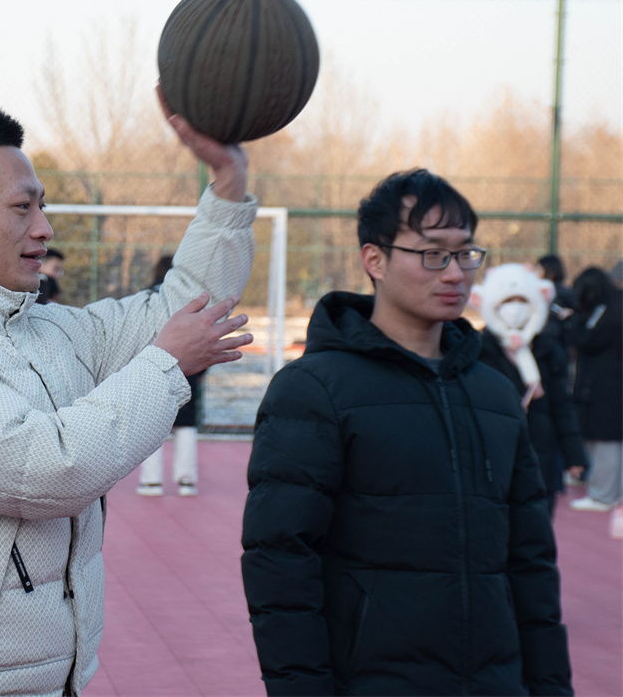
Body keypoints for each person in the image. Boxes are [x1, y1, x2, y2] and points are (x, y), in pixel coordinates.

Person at [0, 103, 257, 697]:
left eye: (42, 206)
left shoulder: (47, 330)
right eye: (23, 207)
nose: (44, 228)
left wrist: (229, 182)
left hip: (49, 680)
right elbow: (47, 470)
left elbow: (187, 310)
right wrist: (166, 365)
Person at [241, 169, 572, 696]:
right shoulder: (314, 390)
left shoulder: (496, 395)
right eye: (432, 253)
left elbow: (531, 566)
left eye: (465, 253)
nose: (455, 273)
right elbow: (280, 563)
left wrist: (550, 687)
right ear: (374, 260)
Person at [473, 262, 586, 516]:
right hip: (494, 451)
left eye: (522, 301)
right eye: (507, 301)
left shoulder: (547, 348)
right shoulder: (479, 349)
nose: (515, 309)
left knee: (539, 515)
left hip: (540, 448)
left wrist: (574, 454)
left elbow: (562, 405)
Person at [137, 254, 205, 497]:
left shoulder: (146, 297)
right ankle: (186, 481)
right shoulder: (191, 299)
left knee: (151, 425)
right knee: (186, 424)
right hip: (186, 365)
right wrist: (201, 368)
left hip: (152, 364)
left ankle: (151, 481)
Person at [567, 266, 623, 512]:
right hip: (610, 383)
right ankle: (612, 492)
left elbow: (587, 339)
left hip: (605, 386)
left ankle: (602, 496)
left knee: (605, 441)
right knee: (612, 441)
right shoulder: (614, 306)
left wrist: (572, 321)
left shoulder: (605, 310)